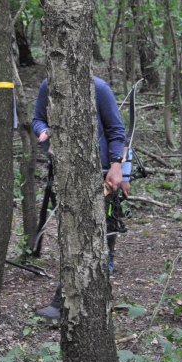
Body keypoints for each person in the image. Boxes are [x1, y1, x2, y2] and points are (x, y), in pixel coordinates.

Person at [32, 75, 127, 320]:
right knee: (73, 232)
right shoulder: (48, 86)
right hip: (63, 172)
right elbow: (38, 119)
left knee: (93, 232)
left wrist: (116, 165)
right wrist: (44, 132)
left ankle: (66, 301)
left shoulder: (99, 88)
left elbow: (116, 130)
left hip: (99, 172)